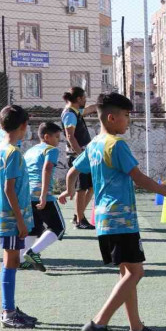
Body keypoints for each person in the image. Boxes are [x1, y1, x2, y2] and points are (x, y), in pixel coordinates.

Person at [60, 93, 166, 331]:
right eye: (127, 116)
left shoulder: (94, 144)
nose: (129, 121)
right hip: (122, 219)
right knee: (136, 273)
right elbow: (139, 178)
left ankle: (136, 328)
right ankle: (99, 323)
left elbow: (73, 170)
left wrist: (68, 191)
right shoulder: (116, 145)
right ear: (112, 117)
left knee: (126, 272)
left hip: (104, 219)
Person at [0, 105, 37, 328]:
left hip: (6, 216)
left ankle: (9, 307)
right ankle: (7, 311)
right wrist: (20, 220)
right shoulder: (13, 152)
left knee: (13, 260)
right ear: (23, 126)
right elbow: (9, 189)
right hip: (11, 218)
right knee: (10, 261)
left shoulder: (0, 148)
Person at [20, 122, 66, 272]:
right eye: (57, 137)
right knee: (58, 228)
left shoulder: (30, 151)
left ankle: (22, 260)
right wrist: (44, 195)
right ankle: (32, 252)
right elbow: (47, 169)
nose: (59, 140)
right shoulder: (51, 149)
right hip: (41, 194)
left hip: (27, 194)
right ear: (47, 137)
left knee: (34, 228)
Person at [61, 87, 97, 230]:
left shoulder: (76, 112)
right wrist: (80, 154)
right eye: (83, 97)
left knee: (91, 187)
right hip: (78, 156)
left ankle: (78, 215)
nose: (85, 100)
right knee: (81, 189)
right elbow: (70, 136)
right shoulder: (70, 114)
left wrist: (104, 105)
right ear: (78, 99)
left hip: (84, 155)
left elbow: (90, 109)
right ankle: (80, 220)